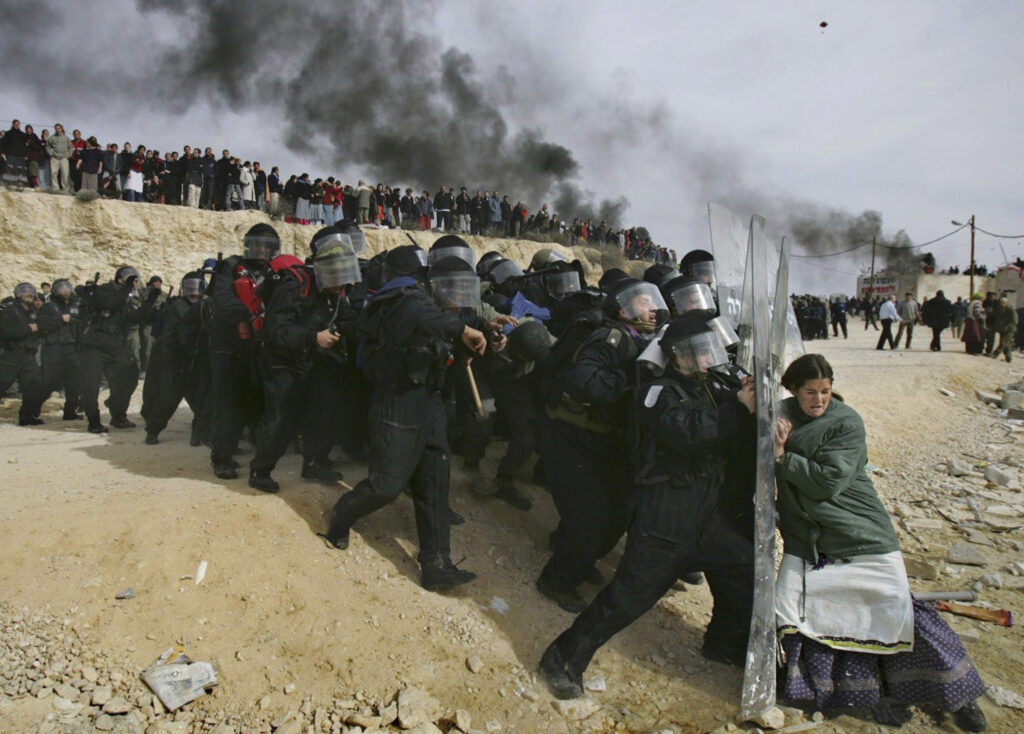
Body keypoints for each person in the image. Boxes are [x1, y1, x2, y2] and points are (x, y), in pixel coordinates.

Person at [539, 314, 757, 700]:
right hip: (666, 517)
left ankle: (723, 643)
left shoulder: (709, 388)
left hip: (706, 513)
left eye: (710, 350)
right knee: (627, 597)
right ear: (677, 356)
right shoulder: (656, 391)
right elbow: (684, 431)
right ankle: (562, 659)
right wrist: (739, 409)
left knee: (743, 569)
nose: (707, 358)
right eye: (698, 352)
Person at [772, 354, 987, 732]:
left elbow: (827, 482)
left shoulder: (846, 422)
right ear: (794, 389)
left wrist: (783, 456)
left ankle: (959, 695)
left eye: (825, 391)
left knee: (895, 612)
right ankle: (842, 692)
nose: (819, 399)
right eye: (810, 392)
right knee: (795, 613)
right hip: (809, 544)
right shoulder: (780, 414)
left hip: (861, 536)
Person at [324, 245, 488, 592]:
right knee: (386, 484)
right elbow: (421, 316)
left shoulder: (431, 304)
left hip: (430, 401)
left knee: (434, 482)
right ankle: (343, 514)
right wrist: (462, 330)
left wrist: (487, 327)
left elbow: (450, 328)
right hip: (396, 402)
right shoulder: (402, 298)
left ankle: (436, 563)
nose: (458, 298)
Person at [536, 278, 668, 612]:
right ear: (623, 310)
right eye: (642, 303)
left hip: (602, 438)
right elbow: (583, 381)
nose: (652, 309)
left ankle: (575, 551)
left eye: (652, 302)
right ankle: (557, 580)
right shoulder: (612, 338)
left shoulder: (643, 341)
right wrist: (631, 382)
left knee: (616, 513)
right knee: (591, 517)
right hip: (573, 434)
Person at [247, 230, 362, 491]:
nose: (342, 284)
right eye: (338, 277)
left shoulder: (335, 293)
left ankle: (314, 462)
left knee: (326, 409)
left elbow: (348, 320)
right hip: (282, 361)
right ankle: (261, 471)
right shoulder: (294, 287)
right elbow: (275, 332)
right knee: (280, 418)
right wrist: (313, 337)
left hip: (311, 359)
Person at [208, 224, 280, 478]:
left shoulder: (275, 271)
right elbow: (222, 300)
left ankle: (256, 443)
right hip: (230, 346)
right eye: (258, 245)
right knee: (228, 403)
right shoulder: (231, 266)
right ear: (249, 245)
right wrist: (249, 314)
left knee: (258, 399)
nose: (262, 250)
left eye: (267, 246)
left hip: (260, 345)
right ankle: (222, 457)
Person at [78, 267, 160, 433]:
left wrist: (151, 300)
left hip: (116, 345)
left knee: (128, 379)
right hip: (95, 345)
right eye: (130, 279)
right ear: (120, 279)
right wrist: (127, 286)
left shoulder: (127, 298)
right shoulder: (105, 290)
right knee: (91, 385)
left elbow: (134, 318)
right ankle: (94, 421)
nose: (134, 283)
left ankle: (118, 415)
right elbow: (110, 303)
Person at [140, 272, 207, 444]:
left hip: (195, 361)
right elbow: (169, 338)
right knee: (167, 401)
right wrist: (172, 362)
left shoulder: (205, 305)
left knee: (200, 403)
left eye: (196, 289)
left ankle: (198, 434)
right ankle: (153, 431)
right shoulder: (176, 307)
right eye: (189, 289)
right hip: (177, 361)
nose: (193, 293)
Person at [35, 279, 82, 421]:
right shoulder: (49, 307)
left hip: (72, 347)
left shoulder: (77, 305)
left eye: (67, 287)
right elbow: (42, 325)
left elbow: (82, 323)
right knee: (50, 381)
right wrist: (61, 319)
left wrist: (72, 321)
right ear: (55, 291)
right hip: (54, 347)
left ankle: (70, 411)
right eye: (61, 288)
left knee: (74, 382)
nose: (65, 290)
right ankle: (33, 408)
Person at [0, 283, 46, 425]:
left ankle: (26, 415)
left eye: (31, 292)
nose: (29, 294)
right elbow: (5, 331)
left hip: (28, 354)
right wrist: (27, 328)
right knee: (2, 383)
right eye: (25, 292)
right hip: (12, 353)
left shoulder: (32, 311)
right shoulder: (9, 310)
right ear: (18, 294)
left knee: (33, 384)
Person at [990, 296, 1018, 363]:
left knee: (1004, 342)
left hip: (1010, 329)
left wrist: (1008, 326)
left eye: (1003, 303)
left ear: (1007, 303)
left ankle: (994, 354)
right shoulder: (999, 309)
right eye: (1001, 303)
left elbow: (1014, 321)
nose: (1002, 304)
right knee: (1006, 344)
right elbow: (994, 315)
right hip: (1002, 328)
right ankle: (1008, 358)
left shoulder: (1011, 310)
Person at [46, 123, 72, 192]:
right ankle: (55, 188)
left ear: (61, 129)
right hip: (54, 157)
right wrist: (50, 154)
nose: (58, 130)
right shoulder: (51, 138)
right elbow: (47, 146)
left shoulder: (66, 138)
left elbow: (70, 148)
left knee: (65, 174)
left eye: (59, 128)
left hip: (64, 157)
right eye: (56, 128)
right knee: (53, 173)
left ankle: (65, 189)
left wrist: (68, 155)